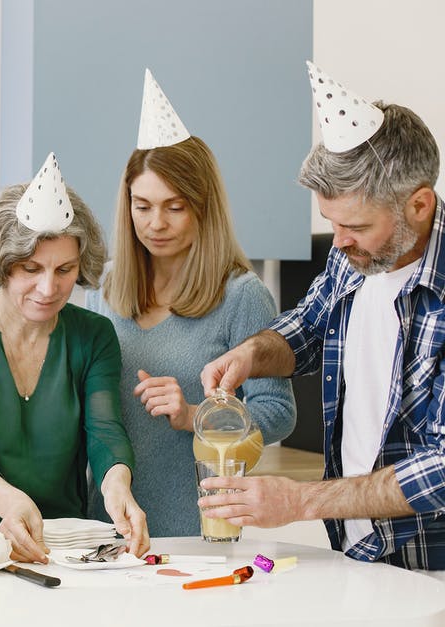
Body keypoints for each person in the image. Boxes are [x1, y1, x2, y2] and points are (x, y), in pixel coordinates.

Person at [200, 62, 445, 573]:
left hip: (430, 562)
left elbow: (441, 466)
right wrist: (252, 353)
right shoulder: (356, 253)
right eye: (330, 222)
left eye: (354, 225)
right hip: (355, 549)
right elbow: (311, 327)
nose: (337, 241)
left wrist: (301, 501)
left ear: (419, 204)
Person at [86, 70, 294, 536]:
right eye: (142, 206)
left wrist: (194, 416)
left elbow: (279, 415)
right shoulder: (103, 289)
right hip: (104, 528)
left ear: (204, 206)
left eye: (174, 207)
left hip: (198, 529)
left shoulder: (242, 296)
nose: (155, 223)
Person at [0, 154, 150, 563]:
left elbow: (105, 431)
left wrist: (117, 486)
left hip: (61, 541)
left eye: (65, 269)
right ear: (1, 265)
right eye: (31, 268)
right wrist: (8, 502)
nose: (49, 287)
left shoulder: (94, 336)